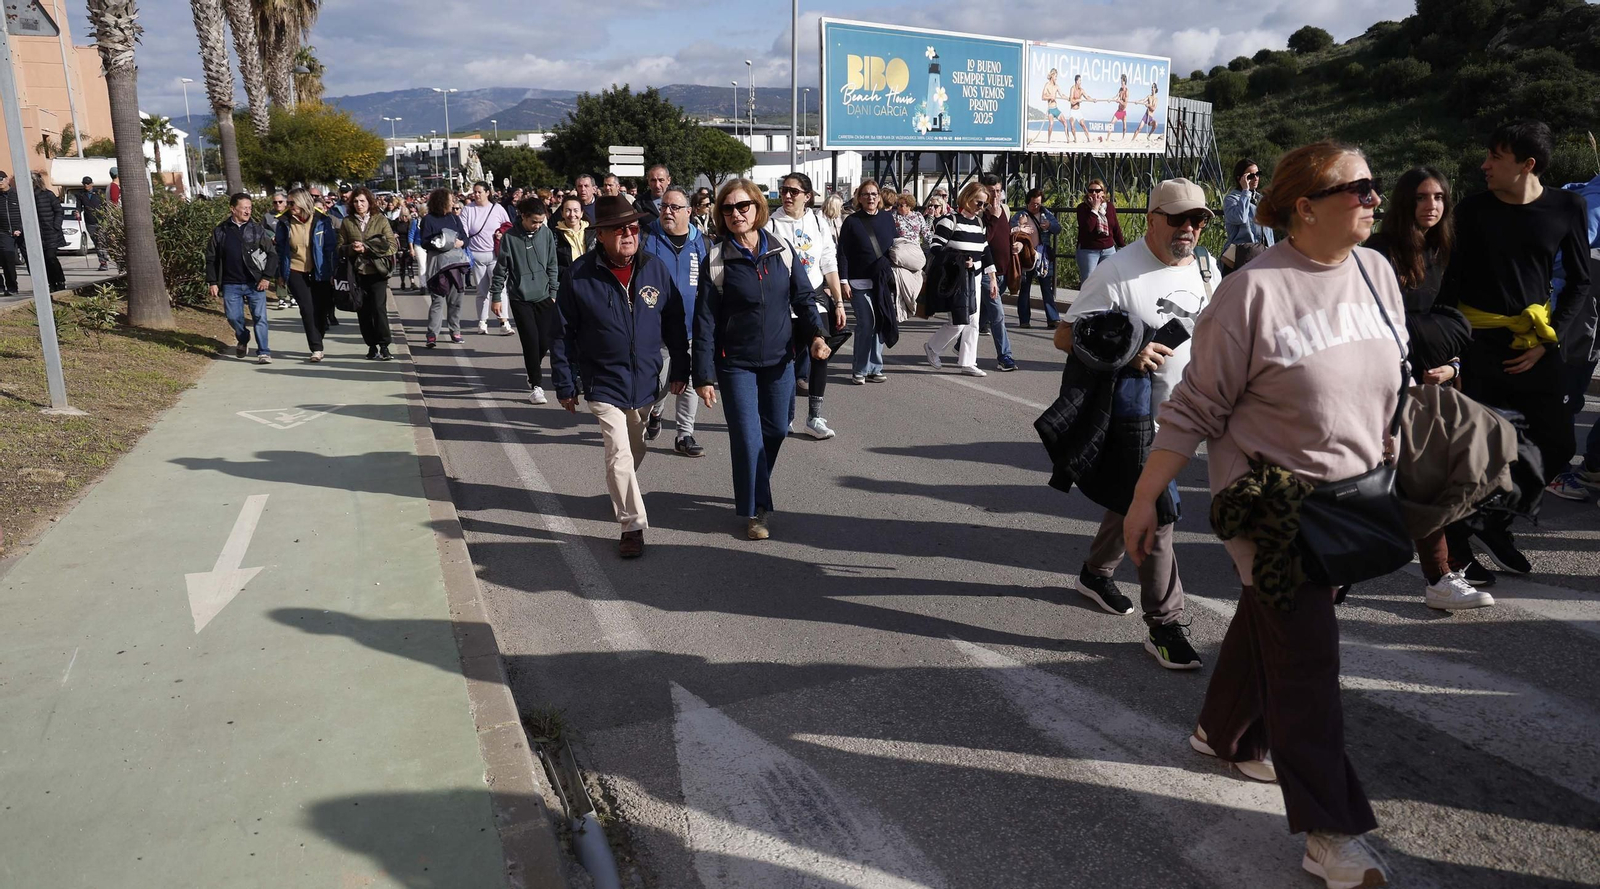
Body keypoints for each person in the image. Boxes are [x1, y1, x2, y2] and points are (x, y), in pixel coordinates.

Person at [1125, 141, 1401, 889]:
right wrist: (1148, 495)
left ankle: (1222, 730)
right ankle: (1330, 831)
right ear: (1305, 206)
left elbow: (1385, 378)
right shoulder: (1251, 291)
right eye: (1360, 189)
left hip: (1352, 499)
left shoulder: (1377, 273)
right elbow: (1197, 405)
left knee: (1273, 625)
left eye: (1375, 187)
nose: (1376, 199)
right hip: (1274, 509)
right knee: (1309, 663)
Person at [1056, 178, 1215, 669]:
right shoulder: (1117, 270)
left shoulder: (1207, 269)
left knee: (1136, 499)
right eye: (1178, 218)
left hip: (1190, 415)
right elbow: (1067, 335)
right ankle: (1165, 623)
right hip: (1136, 416)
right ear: (1151, 219)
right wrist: (1131, 349)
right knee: (1160, 512)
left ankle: (1094, 573)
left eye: (1198, 219)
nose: (1189, 228)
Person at [1437, 120, 1592, 576]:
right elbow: (1452, 282)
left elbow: (1580, 281)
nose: (1484, 165)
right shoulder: (1473, 210)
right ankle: (1459, 550)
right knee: (1474, 451)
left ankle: (1494, 519)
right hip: (1477, 342)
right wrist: (1449, 352)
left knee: (1558, 443)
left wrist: (1551, 341)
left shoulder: (1568, 206)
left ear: (1527, 165)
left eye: (1496, 158)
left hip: (1534, 343)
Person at [1365, 169, 1493, 608]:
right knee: (1350, 477)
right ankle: (1316, 573)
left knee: (1425, 479)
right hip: (1372, 378)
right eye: (1422, 197)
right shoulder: (1377, 252)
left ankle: (1440, 579)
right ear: (1404, 203)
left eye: (1439, 197)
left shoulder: (1442, 250)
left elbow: (1447, 317)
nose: (1432, 206)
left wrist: (1450, 364)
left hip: (1421, 381)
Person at [551, 195, 691, 559]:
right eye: (619, 230)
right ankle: (632, 527)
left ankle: (620, 486)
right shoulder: (579, 275)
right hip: (603, 382)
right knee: (618, 454)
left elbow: (674, 320)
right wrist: (565, 383)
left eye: (633, 228)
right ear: (601, 235)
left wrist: (681, 364)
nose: (628, 235)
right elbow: (562, 334)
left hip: (645, 383)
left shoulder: (655, 269)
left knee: (633, 450)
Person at [694, 178, 831, 541]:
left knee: (776, 429)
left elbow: (803, 297)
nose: (736, 213)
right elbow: (705, 321)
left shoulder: (781, 250)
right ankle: (757, 510)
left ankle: (755, 486)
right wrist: (703, 376)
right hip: (735, 362)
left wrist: (817, 335)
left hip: (779, 360)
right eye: (728, 208)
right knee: (747, 437)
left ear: (757, 208)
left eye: (743, 206)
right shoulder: (718, 258)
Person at [768, 172, 846, 438]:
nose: (787, 195)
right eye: (784, 190)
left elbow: (828, 263)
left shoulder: (818, 221)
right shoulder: (771, 224)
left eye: (793, 191)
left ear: (807, 196)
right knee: (786, 359)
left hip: (814, 300)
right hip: (783, 301)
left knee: (820, 353)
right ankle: (784, 416)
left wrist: (838, 302)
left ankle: (814, 417)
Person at [641, 185, 710, 454]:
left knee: (690, 382)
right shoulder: (647, 237)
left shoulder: (703, 244)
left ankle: (684, 435)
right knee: (659, 386)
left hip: (692, 328)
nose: (667, 212)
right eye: (664, 207)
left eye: (674, 207)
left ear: (689, 212)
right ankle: (656, 413)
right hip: (656, 330)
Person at [1546, 170, 1600, 502]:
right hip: (1576, 319)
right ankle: (1552, 471)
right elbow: (1558, 259)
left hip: (1587, 320)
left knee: (1569, 392)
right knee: (1565, 394)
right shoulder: (1596, 205)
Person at [490, 196, 561, 404]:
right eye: (534, 222)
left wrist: (554, 293)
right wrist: (496, 297)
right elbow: (500, 269)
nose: (537, 226)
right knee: (530, 340)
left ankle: (532, 369)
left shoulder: (546, 234)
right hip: (520, 298)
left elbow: (552, 265)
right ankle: (537, 385)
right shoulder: (509, 238)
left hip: (545, 296)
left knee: (544, 341)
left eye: (541, 222)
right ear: (523, 216)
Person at [924, 181, 994, 377]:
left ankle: (968, 362)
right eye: (978, 203)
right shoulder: (949, 220)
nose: (981, 208)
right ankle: (933, 347)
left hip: (976, 278)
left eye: (984, 204)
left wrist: (993, 277)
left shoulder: (980, 223)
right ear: (967, 198)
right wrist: (960, 260)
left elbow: (986, 251)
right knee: (959, 321)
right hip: (958, 280)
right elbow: (936, 248)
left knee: (974, 321)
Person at [205, 193, 278, 364]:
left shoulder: (257, 229)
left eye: (250, 208)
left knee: (260, 317)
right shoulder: (220, 231)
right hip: (231, 283)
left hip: (255, 283)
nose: (248, 211)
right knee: (233, 317)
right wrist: (213, 281)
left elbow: (272, 255)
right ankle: (243, 336)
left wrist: (266, 277)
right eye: (244, 207)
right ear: (233, 209)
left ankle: (263, 352)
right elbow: (211, 258)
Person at [836, 179, 897, 384]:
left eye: (874, 194)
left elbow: (894, 248)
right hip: (858, 282)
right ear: (859, 198)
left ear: (879, 197)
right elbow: (842, 253)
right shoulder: (852, 222)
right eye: (866, 194)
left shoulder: (888, 219)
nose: (870, 197)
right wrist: (843, 281)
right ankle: (860, 369)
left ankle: (875, 368)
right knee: (866, 323)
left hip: (881, 281)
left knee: (880, 322)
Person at [274, 188, 337, 360]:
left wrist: (332, 272)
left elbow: (331, 248)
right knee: (307, 309)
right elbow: (280, 250)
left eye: (292, 203)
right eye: (288, 203)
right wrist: (280, 273)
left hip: (319, 271)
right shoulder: (284, 222)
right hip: (295, 270)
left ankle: (318, 335)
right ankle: (316, 348)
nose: (289, 206)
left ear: (303, 202)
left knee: (321, 310)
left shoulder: (321, 220)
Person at [339, 186, 398, 362]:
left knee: (379, 309)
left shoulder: (380, 219)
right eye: (356, 201)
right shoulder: (347, 222)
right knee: (363, 311)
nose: (359, 204)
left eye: (362, 201)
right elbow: (339, 247)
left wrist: (368, 248)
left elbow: (392, 246)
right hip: (357, 273)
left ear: (369, 202)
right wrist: (351, 248)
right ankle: (371, 346)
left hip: (377, 272)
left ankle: (384, 345)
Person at [419, 187, 469, 348]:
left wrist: (461, 242)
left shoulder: (454, 218)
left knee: (456, 300)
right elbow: (425, 242)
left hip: (455, 264)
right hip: (438, 265)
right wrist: (441, 241)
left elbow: (464, 237)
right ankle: (432, 334)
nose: (453, 202)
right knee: (437, 301)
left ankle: (455, 331)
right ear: (442, 201)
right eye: (450, 199)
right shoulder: (428, 220)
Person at [461, 180, 513, 335]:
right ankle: (482, 322)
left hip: (495, 255)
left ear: (487, 193)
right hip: (476, 256)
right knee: (482, 292)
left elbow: (508, 226)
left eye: (479, 192)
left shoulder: (497, 209)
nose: (476, 195)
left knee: (501, 289)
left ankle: (504, 322)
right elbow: (463, 231)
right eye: (474, 192)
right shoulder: (468, 210)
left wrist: (501, 233)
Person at [978, 174, 1017, 371]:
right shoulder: (980, 213)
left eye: (998, 191)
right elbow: (983, 240)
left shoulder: (1005, 209)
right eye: (991, 191)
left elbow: (1004, 234)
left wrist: (1014, 245)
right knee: (998, 315)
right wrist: (992, 216)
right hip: (987, 272)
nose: (996, 195)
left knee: (982, 314)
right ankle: (1005, 357)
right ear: (983, 191)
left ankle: (960, 345)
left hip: (1003, 269)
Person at [1014, 188, 1062, 329]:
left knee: (1046, 288)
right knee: (1025, 288)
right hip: (1026, 255)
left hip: (1043, 256)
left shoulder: (1046, 214)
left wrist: (1049, 225)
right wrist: (1020, 226)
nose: (1036, 206)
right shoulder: (1020, 215)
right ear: (1028, 202)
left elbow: (1058, 229)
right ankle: (1024, 320)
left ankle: (1053, 319)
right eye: (1033, 203)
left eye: (1038, 203)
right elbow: (1011, 230)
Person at [1223, 158, 1276, 273]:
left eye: (1258, 174)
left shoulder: (1260, 199)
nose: (1256, 178)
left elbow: (1269, 232)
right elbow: (1240, 217)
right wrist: (1245, 191)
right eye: (1250, 176)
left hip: (1262, 257)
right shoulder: (1232, 199)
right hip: (1240, 258)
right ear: (1240, 178)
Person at [1075, 179, 1125, 283]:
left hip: (1108, 249)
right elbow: (1088, 228)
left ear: (1103, 192)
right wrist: (1095, 208)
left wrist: (1122, 246)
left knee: (1109, 280)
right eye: (1091, 190)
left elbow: (1115, 227)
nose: (1094, 193)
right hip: (1088, 250)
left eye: (1097, 191)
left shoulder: (1110, 207)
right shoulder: (1082, 208)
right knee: (1089, 282)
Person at [27, 172, 66, 292]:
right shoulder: (27, 197)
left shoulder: (48, 195)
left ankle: (60, 280)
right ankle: (50, 283)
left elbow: (59, 211)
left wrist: (56, 226)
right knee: (42, 261)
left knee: (51, 258)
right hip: (37, 234)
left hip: (51, 233)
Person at [554, 194, 596, 289]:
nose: (572, 215)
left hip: (592, 281)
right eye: (568, 210)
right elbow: (553, 265)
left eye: (576, 210)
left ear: (581, 213)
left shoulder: (593, 233)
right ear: (562, 213)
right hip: (568, 284)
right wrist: (570, 272)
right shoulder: (555, 236)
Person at [79, 176, 109, 271]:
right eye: (84, 184)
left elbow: (106, 205)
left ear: (92, 184)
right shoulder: (81, 195)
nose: (86, 185)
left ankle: (104, 260)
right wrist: (77, 212)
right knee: (96, 242)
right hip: (89, 222)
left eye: (88, 183)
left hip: (100, 221)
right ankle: (103, 262)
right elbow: (79, 207)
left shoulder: (99, 193)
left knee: (101, 242)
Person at [389, 199, 415, 292]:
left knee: (409, 265)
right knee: (402, 265)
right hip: (400, 245)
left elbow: (412, 233)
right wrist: (394, 234)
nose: (405, 218)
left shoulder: (411, 222)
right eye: (403, 216)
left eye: (406, 216)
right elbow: (392, 230)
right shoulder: (397, 222)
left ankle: (412, 282)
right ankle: (402, 282)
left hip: (408, 244)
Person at [0, 171, 19, 295]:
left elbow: (26, 213)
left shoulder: (17, 194)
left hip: (19, 231)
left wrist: (20, 228)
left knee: (10, 260)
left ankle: (12, 286)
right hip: (3, 232)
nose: (0, 182)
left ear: (7, 180)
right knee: (6, 259)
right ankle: (2, 287)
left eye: (1, 179)